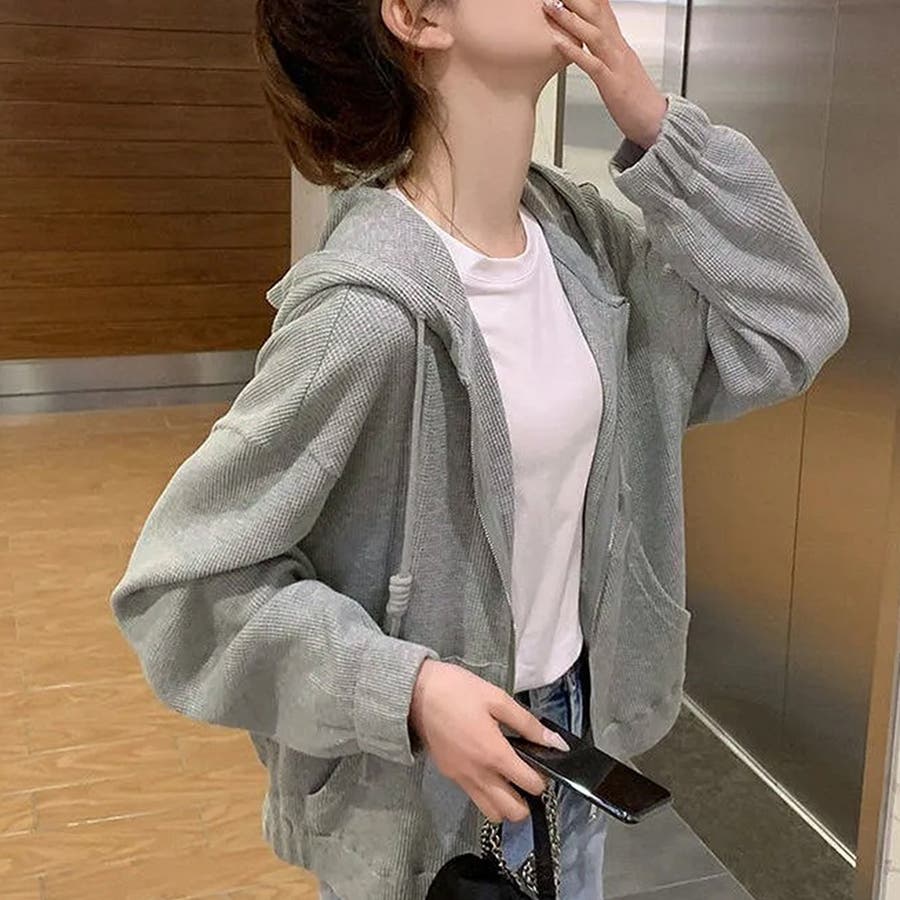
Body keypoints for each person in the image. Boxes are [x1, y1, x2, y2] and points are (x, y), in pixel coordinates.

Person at [109, 0, 850, 897]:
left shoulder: (585, 249)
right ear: (418, 16)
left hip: (574, 742)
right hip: (423, 791)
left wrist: (662, 134)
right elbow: (181, 585)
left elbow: (796, 319)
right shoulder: (363, 316)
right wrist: (407, 692)